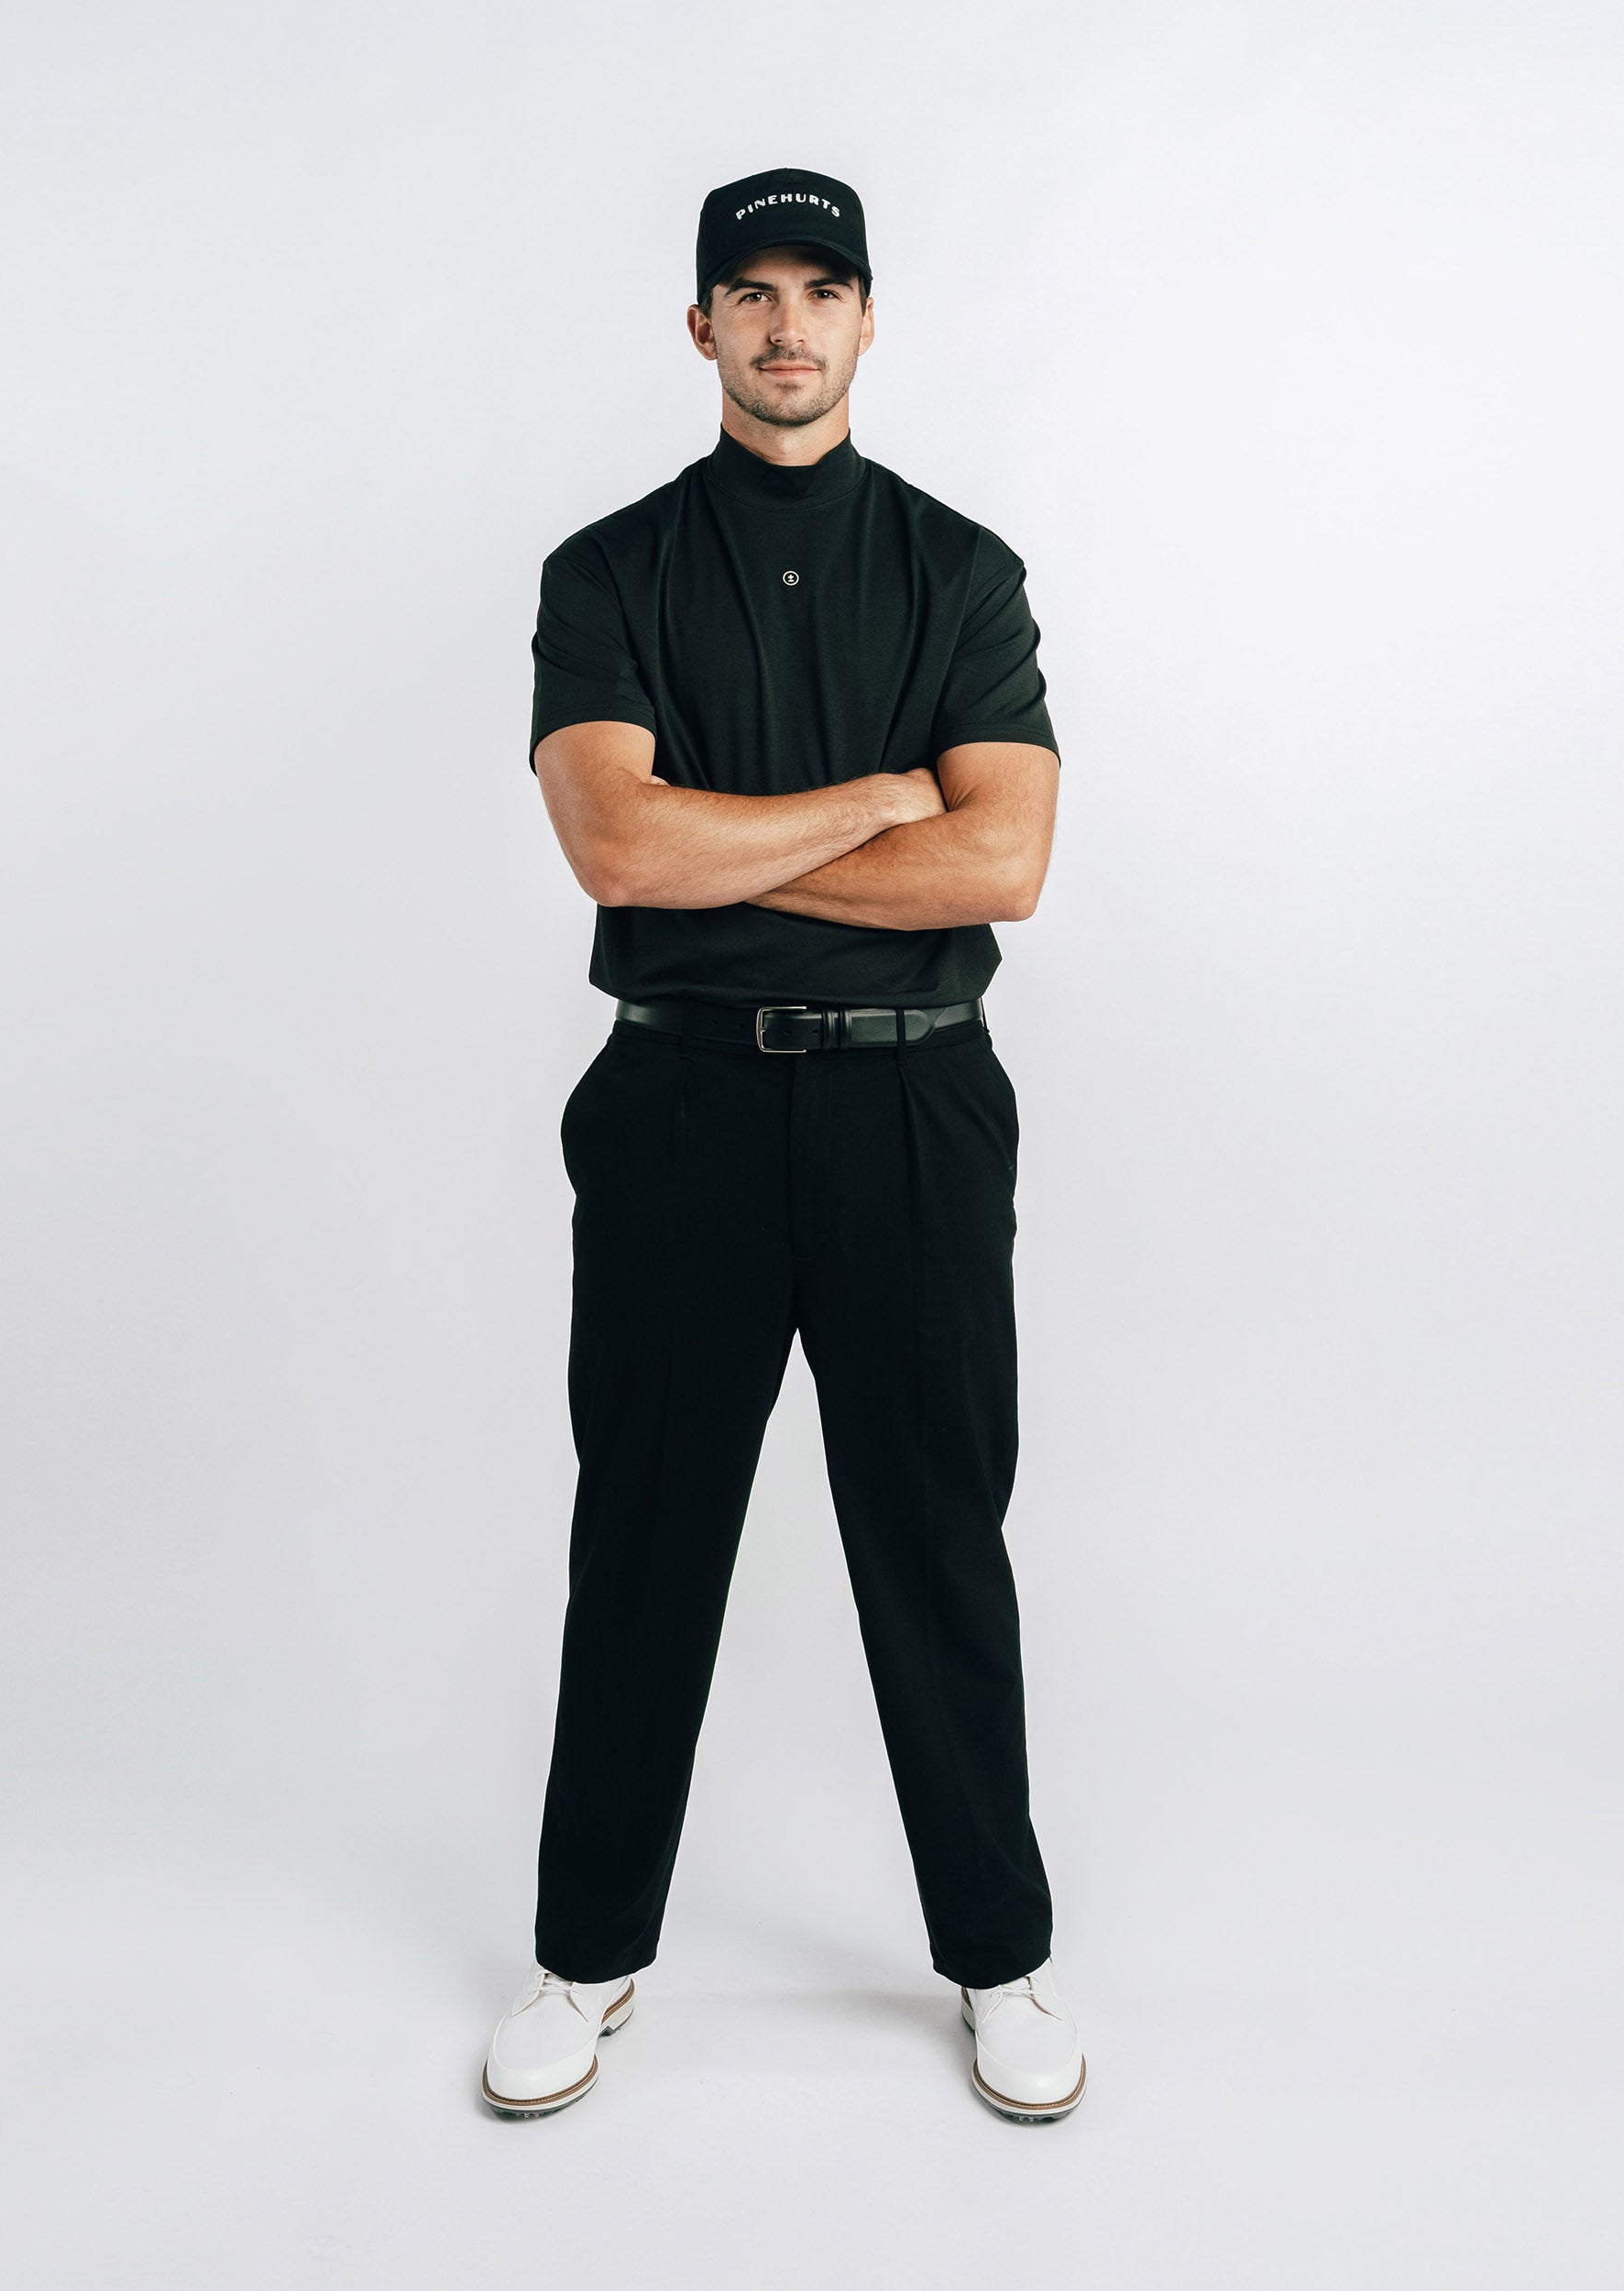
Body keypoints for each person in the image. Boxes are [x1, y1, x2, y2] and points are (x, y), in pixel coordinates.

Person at [479, 166, 1083, 2125]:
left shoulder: (961, 570)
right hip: (677, 1107)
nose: (785, 324)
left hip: (916, 1098)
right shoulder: (608, 572)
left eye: (819, 288)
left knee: (933, 1528)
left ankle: (996, 1955)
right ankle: (588, 1951)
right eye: (748, 290)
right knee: (646, 1526)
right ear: (700, 327)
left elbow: (1004, 859)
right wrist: (877, 800)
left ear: (868, 317)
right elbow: (619, 849)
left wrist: (749, 843)